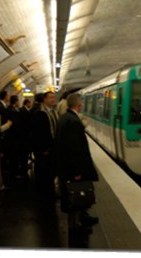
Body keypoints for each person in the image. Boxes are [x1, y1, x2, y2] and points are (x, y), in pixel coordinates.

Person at [53, 93, 99, 232]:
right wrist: (77, 171)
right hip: (73, 168)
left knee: (72, 194)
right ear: (79, 105)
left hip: (66, 166)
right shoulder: (74, 121)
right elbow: (74, 150)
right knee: (76, 194)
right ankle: (75, 225)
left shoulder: (65, 118)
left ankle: (79, 220)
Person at [31, 91, 58, 199]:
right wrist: (43, 148)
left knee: (50, 170)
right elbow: (38, 133)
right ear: (44, 99)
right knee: (43, 170)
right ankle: (43, 193)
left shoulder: (53, 112)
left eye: (53, 97)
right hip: (43, 149)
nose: (53, 99)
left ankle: (49, 191)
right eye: (50, 98)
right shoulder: (40, 113)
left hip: (51, 147)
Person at [4, 95, 22, 182]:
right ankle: (13, 174)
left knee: (12, 156)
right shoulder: (12, 111)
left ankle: (12, 173)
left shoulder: (9, 109)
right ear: (15, 102)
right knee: (13, 156)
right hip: (13, 138)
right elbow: (15, 125)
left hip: (11, 137)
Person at [18, 99, 33, 178]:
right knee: (24, 153)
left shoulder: (22, 110)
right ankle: (23, 169)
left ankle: (24, 167)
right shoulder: (24, 111)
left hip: (24, 137)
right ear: (27, 103)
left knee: (24, 153)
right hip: (24, 137)